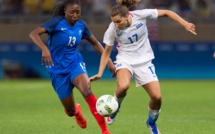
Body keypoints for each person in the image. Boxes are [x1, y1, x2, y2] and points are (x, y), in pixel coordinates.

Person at [89, 0, 197, 134]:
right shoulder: (112, 29)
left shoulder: (141, 15)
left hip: (144, 62)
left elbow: (167, 12)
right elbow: (106, 52)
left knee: (157, 98)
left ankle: (151, 123)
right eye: (114, 21)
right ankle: (115, 107)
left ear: (127, 16)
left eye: (118, 21)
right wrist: (100, 73)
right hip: (125, 60)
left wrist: (185, 24)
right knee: (123, 86)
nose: (116, 24)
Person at [29, 0, 115, 134]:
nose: (75, 15)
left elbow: (95, 43)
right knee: (69, 111)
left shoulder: (81, 25)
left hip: (75, 64)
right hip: (57, 70)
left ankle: (105, 131)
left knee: (87, 91)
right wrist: (44, 48)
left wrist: (109, 61)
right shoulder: (56, 22)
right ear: (65, 11)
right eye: (72, 12)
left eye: (78, 12)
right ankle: (76, 112)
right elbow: (33, 34)